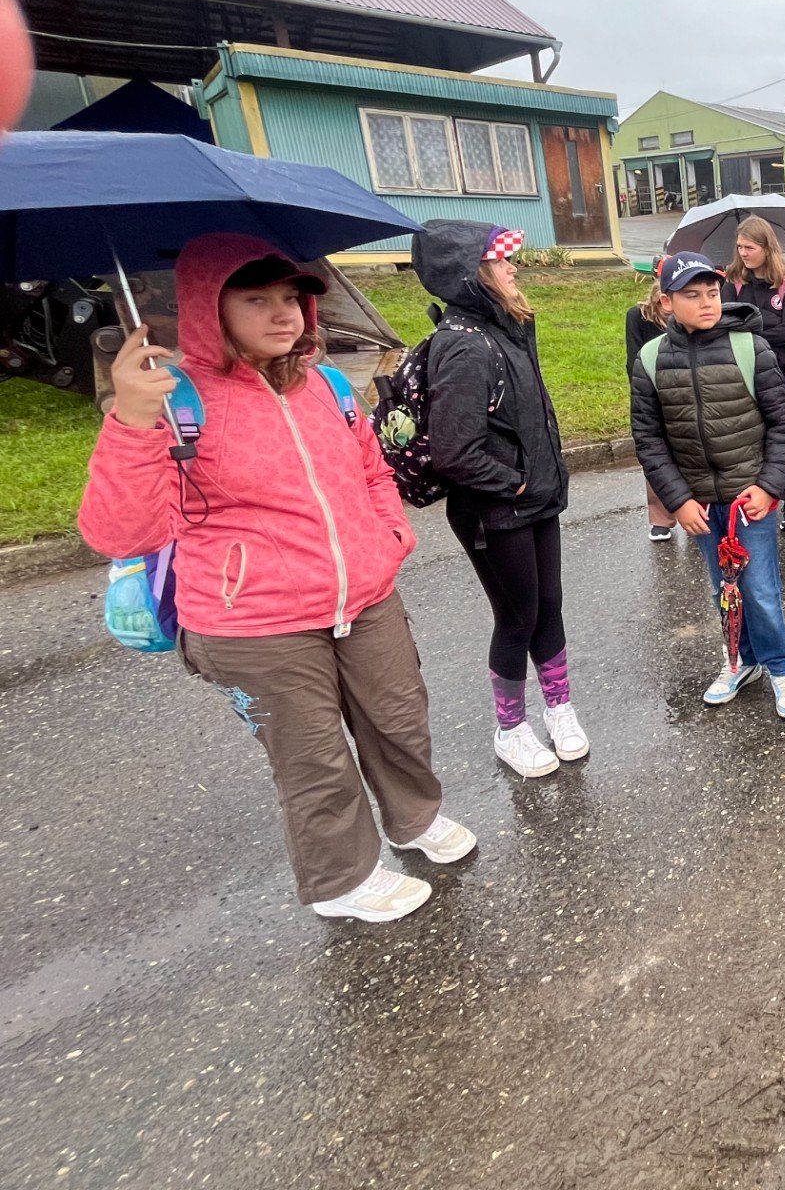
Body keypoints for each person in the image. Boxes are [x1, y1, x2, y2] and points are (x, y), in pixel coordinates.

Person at [79, 234, 474, 923]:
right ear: (209, 308)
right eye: (257, 299)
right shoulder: (176, 400)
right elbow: (122, 534)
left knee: (399, 720)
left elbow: (371, 470)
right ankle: (341, 879)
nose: (284, 313)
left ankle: (414, 819)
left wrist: (389, 538)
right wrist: (134, 419)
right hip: (254, 622)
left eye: (291, 297)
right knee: (312, 757)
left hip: (365, 594)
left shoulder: (325, 383)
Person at [417, 222, 585, 780]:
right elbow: (453, 451)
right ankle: (510, 728)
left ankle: (559, 709)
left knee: (550, 608)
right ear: (473, 274)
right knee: (517, 619)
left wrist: (536, 481)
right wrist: (512, 481)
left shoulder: (507, 328)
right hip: (495, 510)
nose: (513, 267)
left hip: (535, 498)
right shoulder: (464, 345)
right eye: (500, 260)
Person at [630, 252, 785, 719]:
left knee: (760, 588)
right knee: (723, 590)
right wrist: (679, 501)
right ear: (667, 302)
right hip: (701, 505)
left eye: (712, 292)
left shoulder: (751, 348)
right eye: (692, 295)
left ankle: (782, 666)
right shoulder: (650, 359)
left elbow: (783, 427)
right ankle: (741, 660)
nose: (707, 302)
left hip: (750, 497)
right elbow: (648, 439)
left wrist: (769, 487)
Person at [723, 216, 785, 532]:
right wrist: (763, 325)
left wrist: (753, 326)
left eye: (750, 247)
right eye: (740, 246)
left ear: (765, 247)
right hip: (744, 373)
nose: (743, 253)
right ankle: (757, 497)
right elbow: (728, 326)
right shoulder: (732, 282)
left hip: (782, 374)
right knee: (751, 438)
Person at [625, 278, 674, 543]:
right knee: (655, 457)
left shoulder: (684, 315)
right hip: (651, 391)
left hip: (680, 392)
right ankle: (660, 519)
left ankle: (697, 511)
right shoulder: (637, 316)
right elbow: (633, 357)